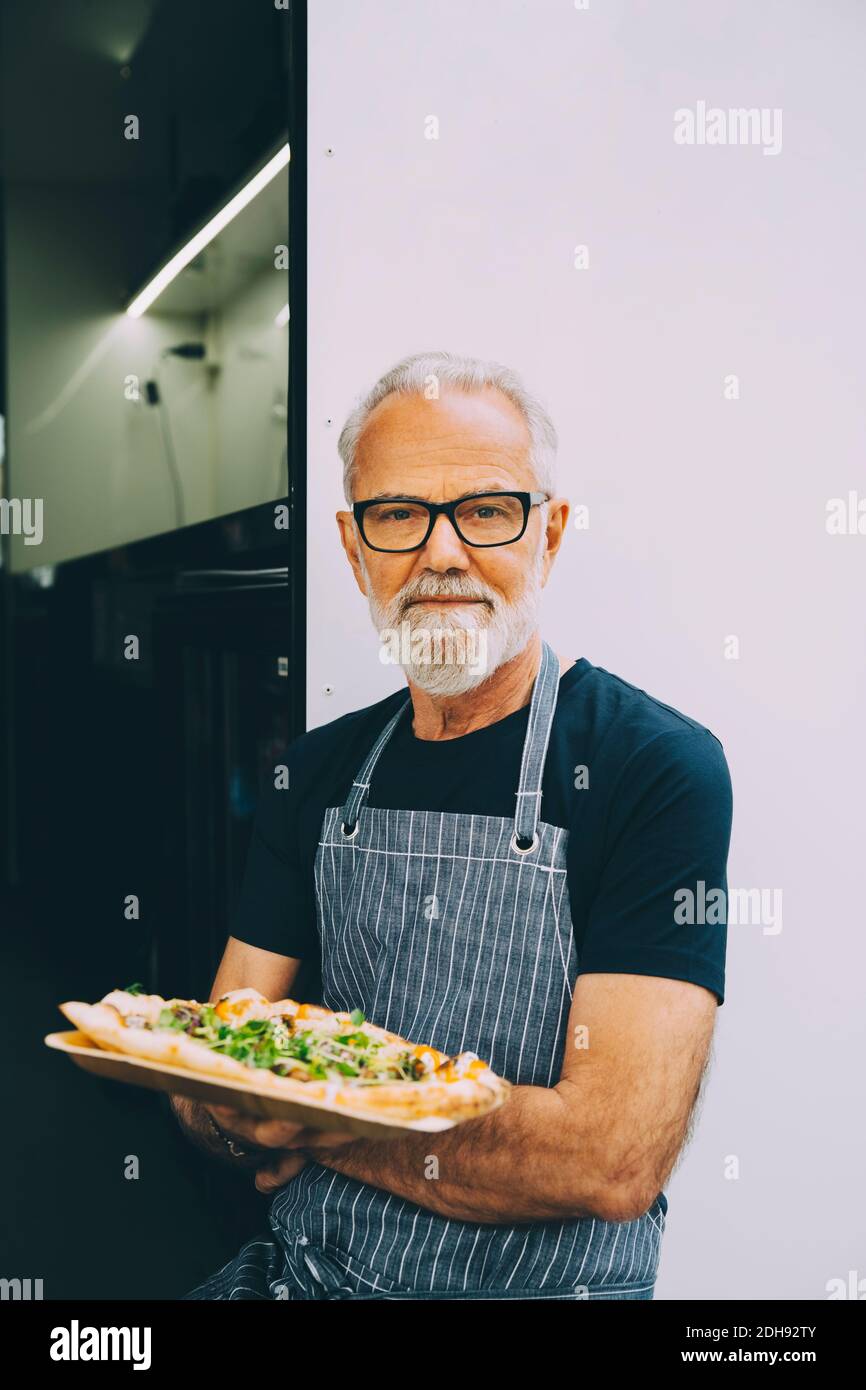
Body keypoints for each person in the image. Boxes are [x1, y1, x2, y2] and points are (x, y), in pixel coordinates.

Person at [172, 350, 732, 1300]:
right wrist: (229, 1108)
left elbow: (609, 1162)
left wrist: (310, 1116)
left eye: (484, 511)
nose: (440, 554)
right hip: (303, 1279)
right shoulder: (316, 774)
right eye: (398, 515)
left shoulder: (653, 769)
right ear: (354, 552)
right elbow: (204, 1075)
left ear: (547, 536)